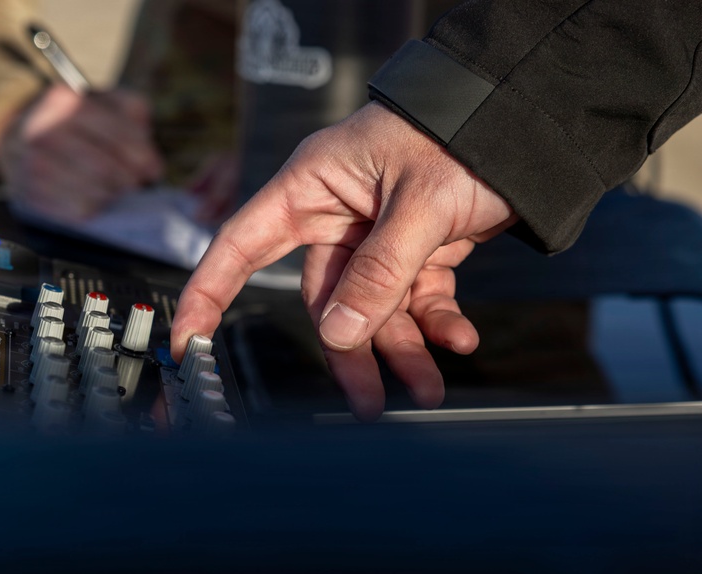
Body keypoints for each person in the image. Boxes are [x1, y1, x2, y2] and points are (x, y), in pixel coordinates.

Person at [170, 0, 702, 419]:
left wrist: (472, 125)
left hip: (529, 266)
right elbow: (196, 55)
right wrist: (182, 133)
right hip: (381, 198)